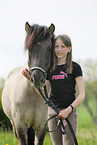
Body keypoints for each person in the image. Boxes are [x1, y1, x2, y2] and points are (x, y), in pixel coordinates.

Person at [46, 34, 85, 145]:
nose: (59, 50)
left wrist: (68, 110)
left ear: (69, 49)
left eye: (63, 46)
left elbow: (82, 95)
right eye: (56, 46)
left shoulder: (75, 67)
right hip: (53, 112)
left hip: (69, 112)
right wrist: (32, 80)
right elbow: (45, 94)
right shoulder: (50, 69)